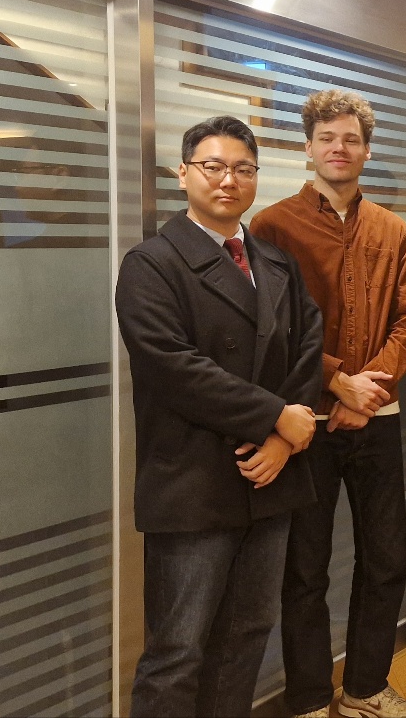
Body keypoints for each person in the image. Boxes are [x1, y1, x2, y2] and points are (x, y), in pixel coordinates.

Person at [115, 116, 322, 717]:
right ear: (184, 174)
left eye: (243, 169)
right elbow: (172, 367)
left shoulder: (276, 262)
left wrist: (284, 439)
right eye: (214, 166)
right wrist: (274, 417)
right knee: (177, 651)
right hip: (194, 480)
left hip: (270, 478)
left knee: (245, 637)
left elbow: (309, 345)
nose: (229, 180)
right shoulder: (152, 263)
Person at [251, 90, 406, 718]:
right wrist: (336, 383)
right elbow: (270, 326)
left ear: (366, 150)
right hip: (305, 424)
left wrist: (365, 390)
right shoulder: (272, 227)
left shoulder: (393, 229)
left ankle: (365, 689)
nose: (339, 148)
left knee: (386, 560)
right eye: (327, 138)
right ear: (308, 146)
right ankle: (306, 700)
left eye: (351, 139)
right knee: (305, 569)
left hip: (376, 419)